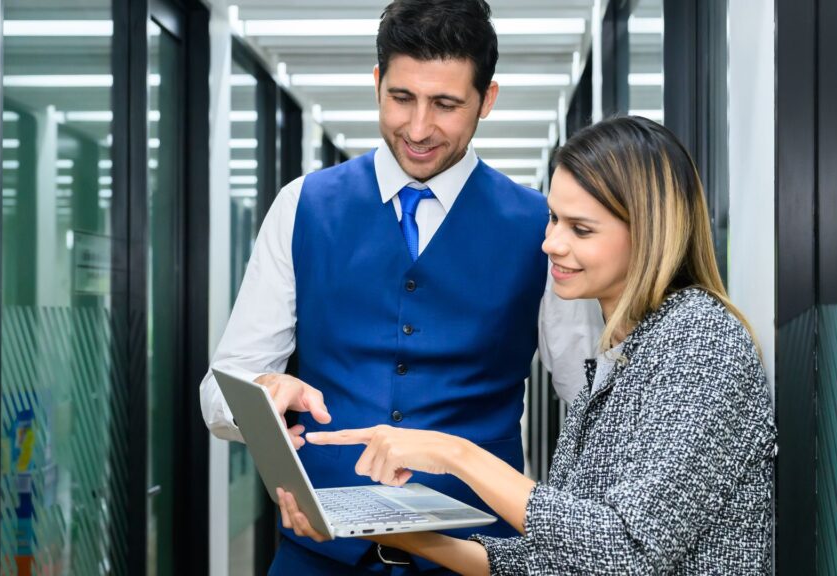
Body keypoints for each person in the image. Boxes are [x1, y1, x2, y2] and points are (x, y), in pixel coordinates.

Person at [198, 0, 602, 573]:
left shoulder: (543, 230)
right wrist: (261, 400)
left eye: (445, 104)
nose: (417, 129)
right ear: (377, 83)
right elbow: (219, 391)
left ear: (486, 100)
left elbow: (590, 405)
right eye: (401, 98)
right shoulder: (301, 207)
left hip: (474, 557)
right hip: (315, 553)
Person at [279, 116, 778, 574]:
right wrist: (376, 528)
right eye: (554, 220)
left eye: (580, 229)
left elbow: (627, 551)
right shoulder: (621, 353)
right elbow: (554, 560)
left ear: (649, 234)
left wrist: (456, 455)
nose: (551, 244)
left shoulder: (700, 340)